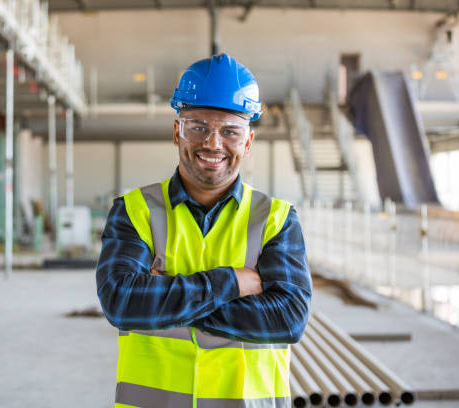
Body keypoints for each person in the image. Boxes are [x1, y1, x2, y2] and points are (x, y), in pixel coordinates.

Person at [96, 53, 312, 408]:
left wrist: (164, 299)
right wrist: (234, 283)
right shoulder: (134, 211)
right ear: (177, 132)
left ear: (247, 141)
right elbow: (121, 302)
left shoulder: (276, 219)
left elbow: (287, 320)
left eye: (230, 131)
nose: (213, 143)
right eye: (198, 127)